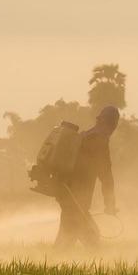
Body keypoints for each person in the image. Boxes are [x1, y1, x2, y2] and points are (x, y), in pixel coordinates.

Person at [55, 105, 119, 249]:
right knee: (92, 239)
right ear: (111, 124)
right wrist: (110, 205)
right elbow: (106, 177)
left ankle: (50, 265)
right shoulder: (99, 141)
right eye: (114, 125)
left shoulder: (85, 135)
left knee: (66, 240)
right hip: (76, 200)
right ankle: (100, 268)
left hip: (68, 195)